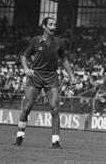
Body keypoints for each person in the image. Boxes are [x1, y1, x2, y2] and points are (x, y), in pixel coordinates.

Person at [14, 17, 77, 148]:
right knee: (27, 108)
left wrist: (72, 76)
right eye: (51, 24)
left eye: (55, 24)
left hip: (51, 77)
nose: (53, 27)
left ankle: (55, 141)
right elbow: (24, 56)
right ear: (44, 26)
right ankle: (20, 136)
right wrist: (26, 69)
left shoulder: (59, 42)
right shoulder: (36, 40)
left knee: (54, 108)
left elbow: (64, 59)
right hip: (35, 76)